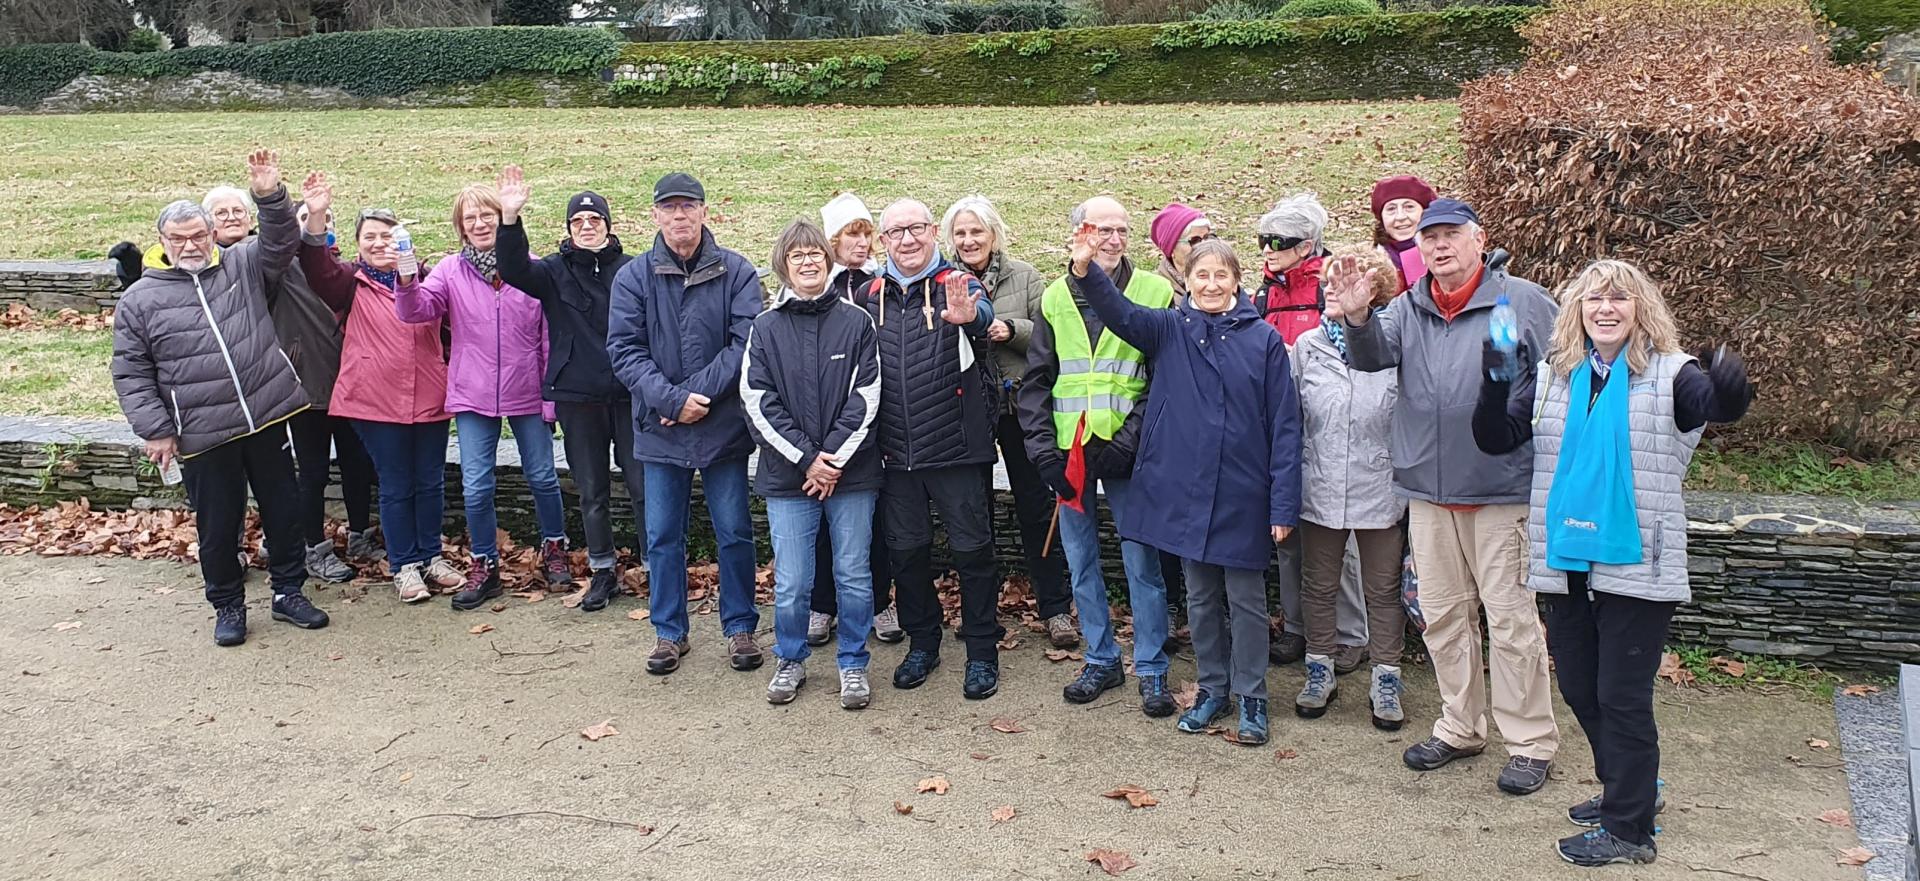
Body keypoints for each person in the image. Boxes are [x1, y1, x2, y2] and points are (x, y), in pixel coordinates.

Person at [1473, 259, 1750, 866]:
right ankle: (1631, 789)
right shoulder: (1552, 377)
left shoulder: (1674, 375)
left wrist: (1730, 383)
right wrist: (1495, 384)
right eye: (1594, 298)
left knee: (1622, 696)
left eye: (1619, 298)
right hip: (1567, 556)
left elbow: (1717, 406)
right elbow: (1496, 438)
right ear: (1576, 311)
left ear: (1640, 309)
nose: (1606, 308)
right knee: (1577, 684)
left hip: (1637, 561)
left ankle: (1629, 829)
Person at [1326, 196, 1561, 795]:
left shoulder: (1521, 302)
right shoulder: (1408, 306)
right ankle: (1461, 726)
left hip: (1501, 491)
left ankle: (1530, 741)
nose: (1438, 245)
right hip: (1428, 493)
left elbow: (1566, 375)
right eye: (1429, 238)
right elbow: (1374, 359)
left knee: (1510, 623)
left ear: (1479, 240)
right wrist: (1357, 319)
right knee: (1444, 619)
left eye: (1451, 234)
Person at [1070, 231, 1301, 746]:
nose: (1212, 284)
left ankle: (1253, 696)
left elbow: (1286, 427)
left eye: (1222, 275)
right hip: (1185, 491)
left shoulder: (1262, 340)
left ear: (1238, 282)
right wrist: (1086, 270)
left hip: (1243, 493)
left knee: (1244, 601)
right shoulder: (1170, 329)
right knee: (1198, 598)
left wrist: (1283, 502)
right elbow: (1121, 313)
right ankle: (1212, 689)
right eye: (1202, 275)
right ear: (1187, 281)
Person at [110, 149, 329, 646]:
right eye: (178, 238)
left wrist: (270, 195)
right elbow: (131, 370)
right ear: (162, 242)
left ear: (212, 235)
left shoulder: (242, 265)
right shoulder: (140, 300)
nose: (190, 245)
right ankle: (227, 604)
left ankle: (289, 592)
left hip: (265, 416)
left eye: (198, 235)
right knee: (217, 524)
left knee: (284, 508)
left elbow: (281, 240)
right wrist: (157, 429)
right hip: (203, 433)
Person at [1020, 196, 1174, 716]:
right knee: (1082, 561)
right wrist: (1044, 454)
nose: (1112, 239)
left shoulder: (1155, 290)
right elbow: (1037, 381)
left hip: (1132, 454)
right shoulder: (1055, 296)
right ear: (1077, 235)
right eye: (1100, 229)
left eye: (1122, 230)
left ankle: (1152, 668)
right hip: (1071, 455)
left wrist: (1129, 442)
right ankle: (1101, 659)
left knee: (1141, 564)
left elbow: (1163, 379)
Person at [608, 172, 765, 676]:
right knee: (662, 536)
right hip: (660, 429)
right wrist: (673, 401)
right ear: (655, 215)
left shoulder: (737, 272)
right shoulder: (633, 278)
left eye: (688, 206)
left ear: (704, 212)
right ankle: (669, 632)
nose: (680, 215)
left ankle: (740, 626)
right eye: (669, 207)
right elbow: (624, 351)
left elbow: (745, 345)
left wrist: (700, 396)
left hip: (722, 428)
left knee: (736, 531)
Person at [397, 183, 571, 611]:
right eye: (469, 218)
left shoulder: (531, 269)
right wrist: (406, 280)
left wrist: (550, 399)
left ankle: (555, 549)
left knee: (544, 477)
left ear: (501, 218)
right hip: (473, 394)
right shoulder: (450, 270)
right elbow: (416, 311)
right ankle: (485, 564)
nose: (479, 224)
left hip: (528, 391)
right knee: (476, 488)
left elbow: (549, 337)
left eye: (486, 215)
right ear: (460, 227)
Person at [856, 198, 1004, 699]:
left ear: (932, 231)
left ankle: (983, 651)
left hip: (957, 448)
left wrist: (970, 318)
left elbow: (981, 314)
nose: (907, 239)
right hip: (894, 453)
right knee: (907, 554)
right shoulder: (866, 293)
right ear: (883, 241)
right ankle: (924, 643)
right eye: (896, 232)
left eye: (916, 228)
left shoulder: (958, 284)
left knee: (973, 553)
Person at [202, 185, 381, 583]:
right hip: (305, 386)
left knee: (357, 463)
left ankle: (359, 534)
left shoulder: (340, 267)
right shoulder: (274, 269)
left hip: (350, 382)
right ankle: (313, 546)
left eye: (326, 222)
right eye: (308, 222)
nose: (318, 229)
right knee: (312, 470)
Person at [298, 174, 463, 603]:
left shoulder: (428, 280)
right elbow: (317, 269)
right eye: (369, 236)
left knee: (429, 481)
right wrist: (316, 216)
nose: (379, 243)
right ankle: (405, 564)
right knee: (395, 483)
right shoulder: (350, 283)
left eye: (387, 235)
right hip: (374, 401)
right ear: (358, 243)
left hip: (428, 396)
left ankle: (432, 557)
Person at [742, 218, 883, 709]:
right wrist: (807, 459)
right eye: (798, 255)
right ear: (784, 264)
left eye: (816, 254)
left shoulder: (858, 322)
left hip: (853, 475)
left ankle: (853, 663)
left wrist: (833, 460)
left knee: (852, 575)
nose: (808, 262)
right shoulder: (764, 327)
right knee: (794, 581)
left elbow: (867, 396)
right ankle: (791, 658)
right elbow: (758, 401)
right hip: (789, 478)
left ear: (830, 259)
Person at [494, 166, 644, 613]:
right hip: (577, 397)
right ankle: (602, 570)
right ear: (569, 229)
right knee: (592, 487)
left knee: (642, 484)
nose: (586, 226)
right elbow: (513, 268)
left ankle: (657, 566)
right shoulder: (554, 273)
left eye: (594, 219)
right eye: (577, 221)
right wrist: (509, 218)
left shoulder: (634, 270)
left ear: (607, 225)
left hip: (630, 393)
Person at [944, 194, 1075, 649]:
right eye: (960, 233)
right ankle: (981, 611)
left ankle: (1056, 609)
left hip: (1021, 411)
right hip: (966, 414)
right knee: (973, 514)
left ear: (993, 234)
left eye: (976, 231)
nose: (968, 240)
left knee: (1037, 508)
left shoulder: (1026, 276)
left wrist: (1011, 330)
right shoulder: (943, 280)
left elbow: (1052, 337)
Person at [1291, 245, 1409, 727]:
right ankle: (1319, 669)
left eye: (1351, 282)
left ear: (1374, 291)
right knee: (1318, 585)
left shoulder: (1397, 348)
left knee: (1383, 589)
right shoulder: (1306, 348)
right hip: (1318, 484)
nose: (1335, 291)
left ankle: (1387, 678)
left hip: (1381, 487)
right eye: (1331, 282)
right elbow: (1291, 419)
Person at [806, 193, 903, 646]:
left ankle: (881, 601)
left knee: (874, 517)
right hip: (822, 420)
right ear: (832, 241)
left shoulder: (882, 285)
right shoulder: (817, 289)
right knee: (824, 518)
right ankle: (822, 604)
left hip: (875, 416)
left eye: (867, 233)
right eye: (852, 234)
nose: (862, 243)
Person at [1253, 193, 1329, 346]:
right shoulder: (1262, 297)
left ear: (1305, 248)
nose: (1267, 250)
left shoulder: (1331, 290)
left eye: (1276, 242)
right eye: (1263, 240)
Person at [1371, 175, 1438, 292]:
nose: (1400, 217)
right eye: (1391, 209)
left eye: (1409, 207)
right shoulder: (1373, 259)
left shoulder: (1444, 253)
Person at [1147, 202, 1213, 298]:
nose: (1205, 246)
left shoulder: (1223, 277)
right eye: (1194, 241)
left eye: (1207, 238)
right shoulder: (1161, 294)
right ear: (1172, 248)